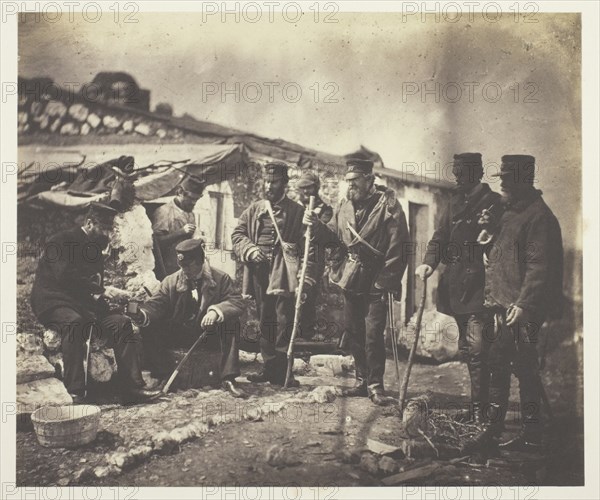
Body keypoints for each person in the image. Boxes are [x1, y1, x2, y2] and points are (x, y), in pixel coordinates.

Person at [472, 155, 564, 453]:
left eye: (508, 179)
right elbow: (500, 254)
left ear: (524, 182)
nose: (502, 184)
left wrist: (523, 306)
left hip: (523, 310)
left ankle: (504, 432)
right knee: (514, 366)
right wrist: (487, 234)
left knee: (512, 365)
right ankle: (520, 432)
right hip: (505, 306)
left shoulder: (539, 217)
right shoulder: (511, 212)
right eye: (502, 178)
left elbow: (539, 268)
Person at [30, 202, 160, 404]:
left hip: (81, 305)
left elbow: (93, 289)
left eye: (111, 229)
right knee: (74, 323)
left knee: (120, 323)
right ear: (89, 223)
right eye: (104, 228)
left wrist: (112, 300)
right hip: (53, 301)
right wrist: (102, 290)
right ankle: (75, 392)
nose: (108, 235)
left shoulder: (96, 252)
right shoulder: (61, 241)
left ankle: (132, 389)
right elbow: (64, 277)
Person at [305, 158, 410, 406]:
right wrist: (317, 227)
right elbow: (334, 237)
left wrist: (386, 281)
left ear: (369, 180)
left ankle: (376, 385)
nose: (350, 187)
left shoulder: (389, 206)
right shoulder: (344, 206)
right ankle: (362, 381)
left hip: (377, 278)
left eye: (355, 182)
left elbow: (400, 248)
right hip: (352, 276)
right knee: (354, 330)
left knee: (373, 333)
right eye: (348, 182)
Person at [231, 163, 335, 387]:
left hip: (285, 273)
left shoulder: (297, 212)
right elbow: (238, 234)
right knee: (265, 320)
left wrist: (306, 275)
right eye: (267, 181)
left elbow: (314, 244)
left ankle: (284, 372)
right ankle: (269, 369)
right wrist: (249, 249)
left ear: (285, 185)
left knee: (283, 322)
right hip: (259, 273)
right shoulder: (255, 208)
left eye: (275, 182)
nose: (269, 185)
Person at [416, 152, 501, 424]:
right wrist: (428, 263)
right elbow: (439, 238)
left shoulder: (494, 203)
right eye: (455, 172)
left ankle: (481, 411)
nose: (457, 178)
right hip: (457, 289)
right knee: (467, 349)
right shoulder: (455, 203)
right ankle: (479, 407)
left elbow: (504, 244)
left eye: (462, 173)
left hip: (480, 288)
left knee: (478, 351)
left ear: (476, 174)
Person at [133, 239, 247, 398]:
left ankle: (228, 378)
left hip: (209, 334)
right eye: (181, 265)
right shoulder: (171, 281)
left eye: (188, 265)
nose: (184, 270)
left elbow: (236, 302)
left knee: (232, 322)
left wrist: (216, 311)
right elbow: (157, 303)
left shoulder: (221, 279)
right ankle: (161, 375)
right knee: (150, 323)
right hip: (180, 333)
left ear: (200, 261)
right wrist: (142, 314)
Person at [295, 171, 334, 340]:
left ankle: (306, 337)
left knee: (306, 296)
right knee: (290, 295)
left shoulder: (325, 210)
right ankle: (291, 336)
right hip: (292, 258)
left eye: (308, 188)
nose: (305, 192)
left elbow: (325, 234)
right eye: (302, 189)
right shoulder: (295, 207)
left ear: (316, 188)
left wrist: (313, 223)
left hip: (313, 259)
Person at [152, 175, 205, 278]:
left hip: (186, 271)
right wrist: (180, 232)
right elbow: (156, 243)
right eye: (191, 198)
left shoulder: (190, 213)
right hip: (167, 272)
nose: (194, 202)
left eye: (197, 199)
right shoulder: (164, 211)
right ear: (180, 193)